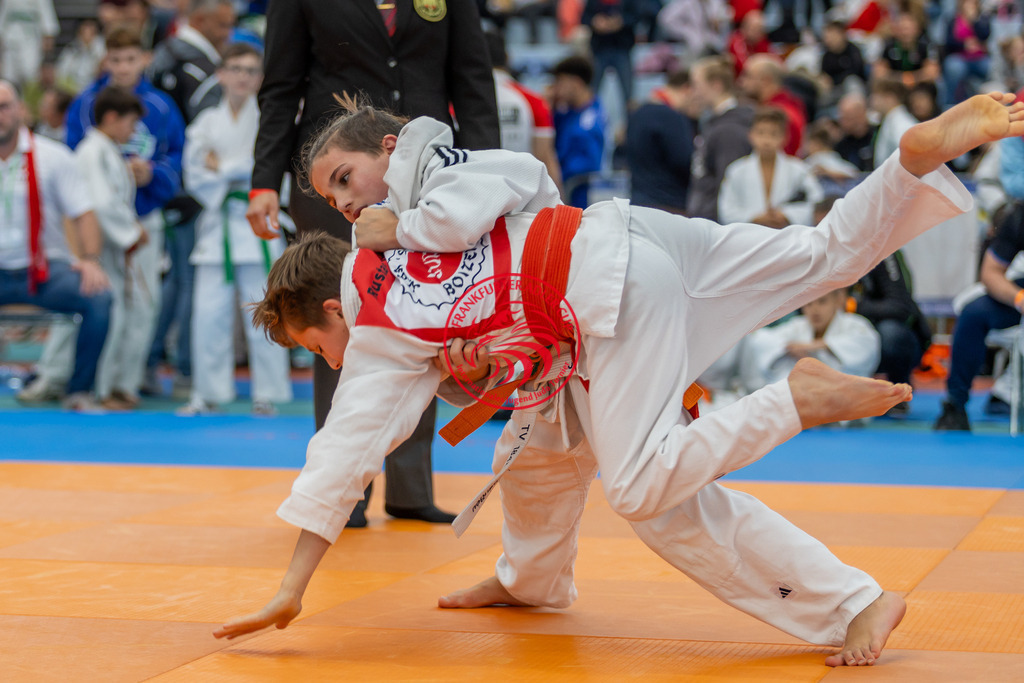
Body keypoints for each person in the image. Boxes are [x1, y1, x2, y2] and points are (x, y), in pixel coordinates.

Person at [213, 92, 1024, 667]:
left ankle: (792, 403)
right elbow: (528, 192)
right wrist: (466, 341)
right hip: (624, 246)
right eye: (332, 197)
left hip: (608, 300)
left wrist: (292, 587)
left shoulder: (399, 261)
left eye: (345, 180)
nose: (346, 205)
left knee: (640, 490)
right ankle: (908, 167)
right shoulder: (432, 199)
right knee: (538, 456)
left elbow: (347, 447)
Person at [245, 0, 499, 528]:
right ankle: (343, 489)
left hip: (421, 174)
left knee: (423, 314)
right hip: (336, 178)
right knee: (338, 316)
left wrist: (484, 174)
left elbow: (472, 79)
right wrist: (264, 179)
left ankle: (411, 487)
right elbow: (280, 86)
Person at [24, 27, 184, 408]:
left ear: (144, 59)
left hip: (141, 216)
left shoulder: (161, 106)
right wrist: (125, 233)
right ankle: (65, 378)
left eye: (131, 59)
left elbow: (176, 156)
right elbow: (78, 177)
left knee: (134, 306)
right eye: (116, 59)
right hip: (95, 226)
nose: (124, 67)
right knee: (93, 303)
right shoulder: (85, 106)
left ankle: (118, 383)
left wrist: (153, 175)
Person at [177, 43, 292, 417]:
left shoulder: (270, 121)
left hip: (260, 225)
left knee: (265, 313)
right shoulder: (205, 123)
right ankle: (208, 393)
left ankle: (268, 393)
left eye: (251, 70)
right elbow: (194, 175)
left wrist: (223, 167)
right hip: (218, 228)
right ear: (221, 74)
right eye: (236, 69)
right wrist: (243, 168)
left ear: (260, 78)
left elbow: (276, 172)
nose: (243, 76)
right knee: (208, 316)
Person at [144, 0, 237, 400]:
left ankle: (150, 362)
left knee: (174, 279)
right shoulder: (195, 65)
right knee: (187, 281)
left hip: (169, 185)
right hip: (190, 188)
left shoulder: (165, 56)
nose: (228, 33)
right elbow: (205, 132)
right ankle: (183, 368)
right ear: (199, 20)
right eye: (222, 25)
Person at [0, 80, 112, 412]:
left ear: (22, 110)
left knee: (99, 298)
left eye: (4, 107)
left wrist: (90, 259)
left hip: (44, 272)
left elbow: (84, 213)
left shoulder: (54, 157)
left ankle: (79, 391)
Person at [935, 132, 1024, 430]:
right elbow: (990, 273)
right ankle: (955, 404)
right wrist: (1018, 298)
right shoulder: (1019, 214)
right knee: (974, 313)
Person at [71, 86, 150, 410]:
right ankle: (100, 388)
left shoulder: (108, 151)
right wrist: (131, 233)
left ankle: (116, 384)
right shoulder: (92, 151)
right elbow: (101, 205)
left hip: (112, 249)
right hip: (98, 250)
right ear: (112, 117)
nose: (132, 131)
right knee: (109, 318)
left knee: (128, 315)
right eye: (130, 123)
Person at [718, 107, 823, 227]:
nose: (766, 140)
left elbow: (816, 202)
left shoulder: (799, 169)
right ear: (750, 135)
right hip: (748, 234)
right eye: (761, 133)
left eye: (774, 134)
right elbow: (726, 211)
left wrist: (786, 215)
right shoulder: (736, 170)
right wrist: (755, 217)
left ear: (785, 137)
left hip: (787, 233)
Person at [485, 30, 562, 195]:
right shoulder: (534, 102)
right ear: (508, 58)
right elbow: (545, 159)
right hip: (523, 197)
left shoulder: (455, 106)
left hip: (477, 195)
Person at [687, 55, 754, 221]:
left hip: (715, 224)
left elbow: (728, 185)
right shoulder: (715, 124)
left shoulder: (729, 130)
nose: (693, 93)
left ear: (716, 85)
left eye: (696, 85)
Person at [624, 68, 695, 214]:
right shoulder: (672, 118)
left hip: (639, 204)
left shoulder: (637, 114)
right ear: (686, 89)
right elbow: (685, 161)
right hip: (669, 205)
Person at [550, 55, 606, 208]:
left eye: (560, 82)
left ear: (576, 83)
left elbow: (587, 164)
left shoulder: (590, 120)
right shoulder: (567, 114)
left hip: (579, 200)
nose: (556, 89)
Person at [739, 54, 806, 157]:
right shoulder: (787, 106)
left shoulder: (779, 114)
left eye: (748, 76)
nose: (741, 82)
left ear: (766, 80)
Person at [0, 0, 57, 87]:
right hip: (10, 43)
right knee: (8, 79)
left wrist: (47, 60)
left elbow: (48, 27)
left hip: (32, 42)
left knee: (30, 76)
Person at [834, 91, 877, 173]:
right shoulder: (841, 144)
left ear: (861, 114)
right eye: (841, 118)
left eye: (848, 118)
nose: (842, 123)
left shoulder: (877, 137)